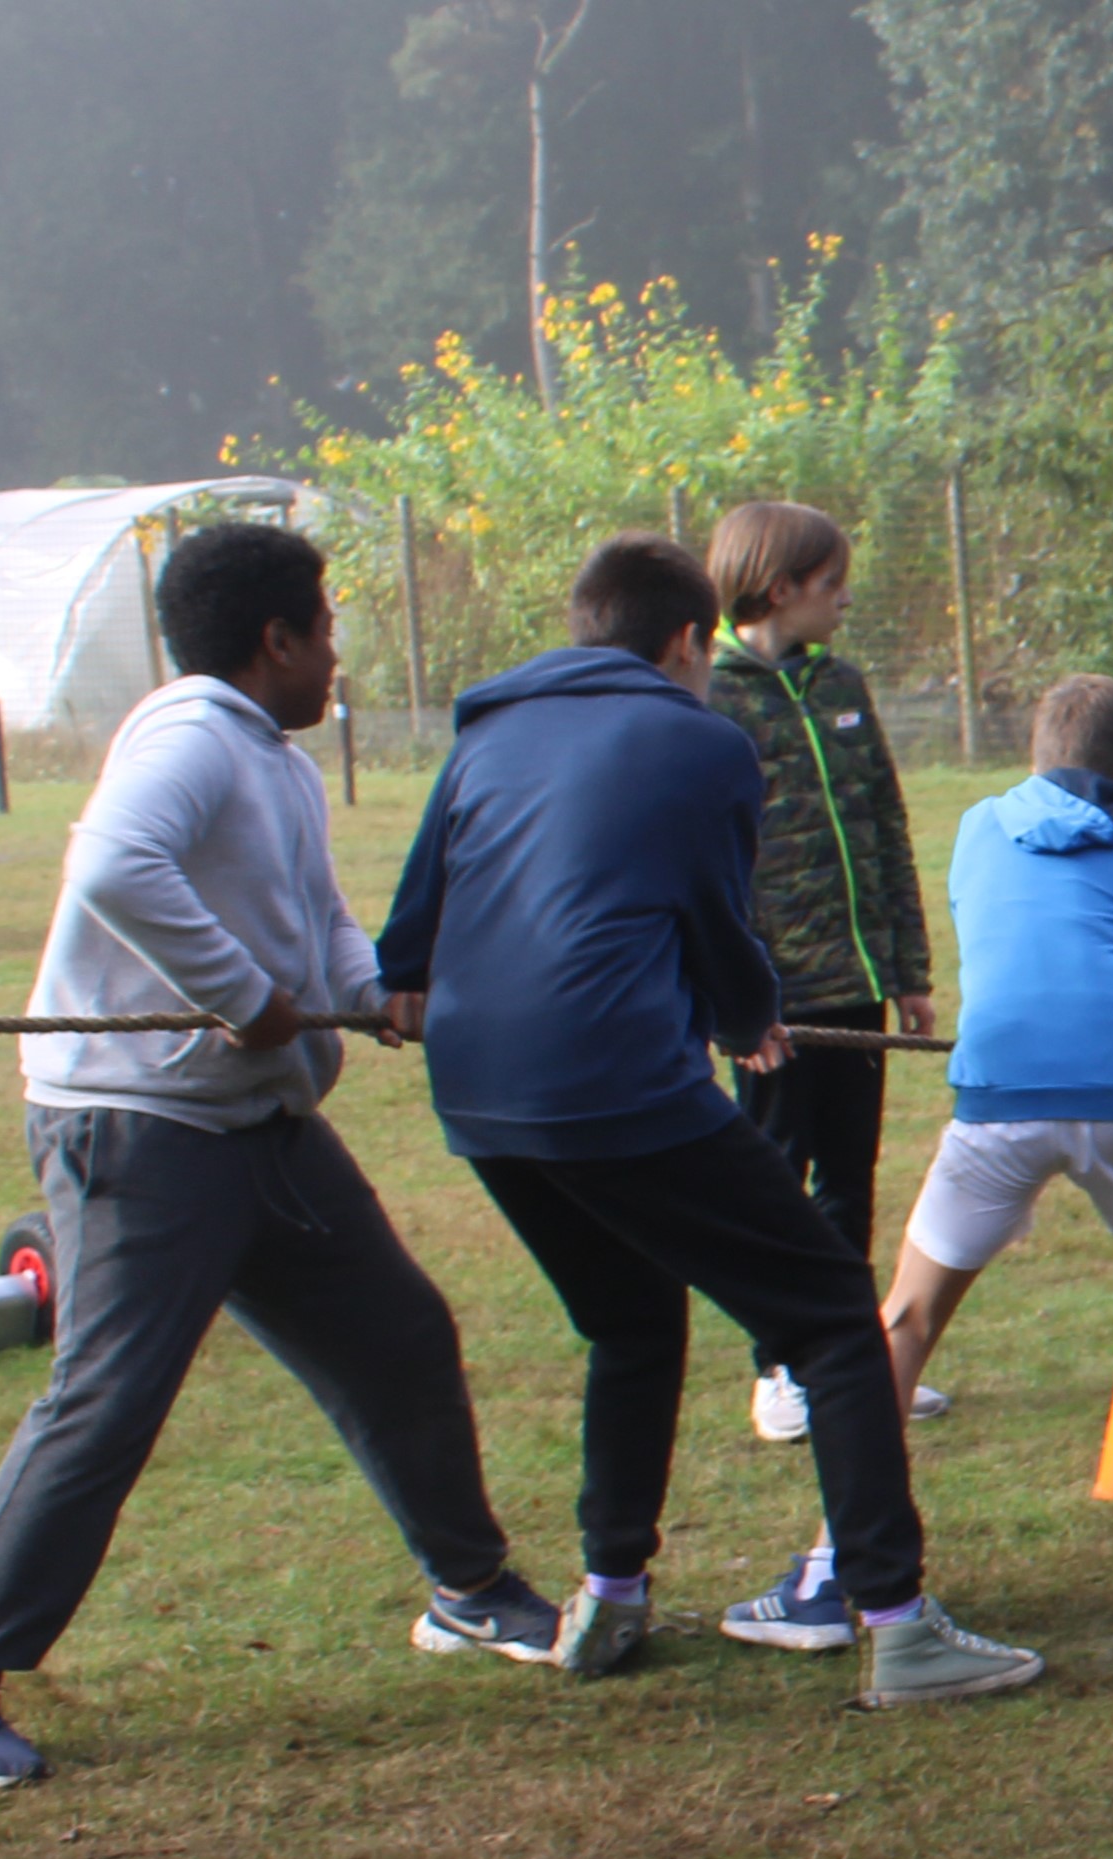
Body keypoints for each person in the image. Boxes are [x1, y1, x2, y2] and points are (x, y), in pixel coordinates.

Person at [0, 524, 558, 1794]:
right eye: (324, 627)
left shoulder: (269, 759)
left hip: (255, 1123)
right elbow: (113, 862)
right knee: (107, 1399)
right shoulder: (189, 732)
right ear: (274, 639)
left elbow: (313, 909)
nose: (336, 652)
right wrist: (242, 995)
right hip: (141, 1128)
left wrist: (363, 990)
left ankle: (468, 1588)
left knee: (398, 1331)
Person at [377, 534, 1042, 1704]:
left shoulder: (487, 732)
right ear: (688, 642)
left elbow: (407, 938)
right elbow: (717, 920)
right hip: (613, 1081)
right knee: (835, 1317)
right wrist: (748, 1016)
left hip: (478, 1095)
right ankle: (899, 1622)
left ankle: (611, 1596)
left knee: (631, 1320)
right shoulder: (702, 738)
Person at [724, 678, 1113, 1649]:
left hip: (999, 1104)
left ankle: (834, 1566)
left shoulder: (977, 830)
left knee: (908, 1317)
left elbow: (1000, 942)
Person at [701, 501, 947, 1442]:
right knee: (772, 1178)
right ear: (778, 589)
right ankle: (777, 1366)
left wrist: (908, 968)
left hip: (858, 983)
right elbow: (702, 861)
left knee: (850, 1175)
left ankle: (849, 1358)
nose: (846, 598)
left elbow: (885, 824)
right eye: (831, 583)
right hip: (769, 1002)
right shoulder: (710, 698)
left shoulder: (841, 682)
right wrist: (732, 998)